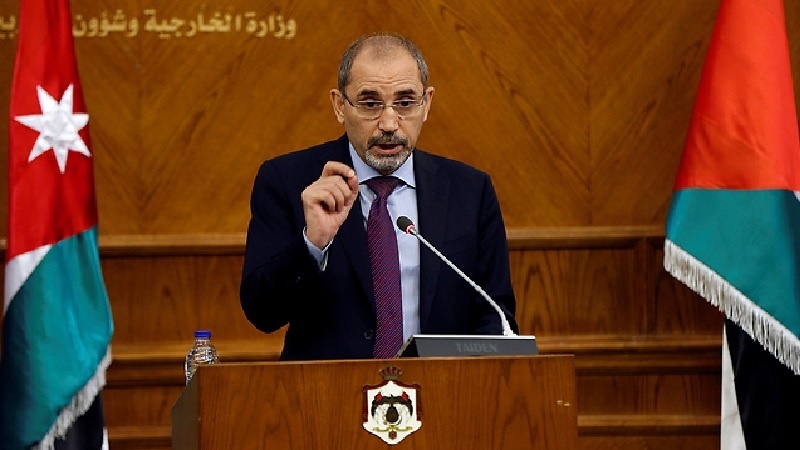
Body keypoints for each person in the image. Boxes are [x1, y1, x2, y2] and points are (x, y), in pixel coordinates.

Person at [240, 33, 518, 360]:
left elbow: (496, 313)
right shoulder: (288, 181)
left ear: (426, 104)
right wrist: (312, 244)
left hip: (439, 387)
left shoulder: (470, 190)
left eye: (405, 102)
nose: (388, 123)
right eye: (370, 103)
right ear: (339, 106)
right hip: (326, 388)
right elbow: (262, 313)